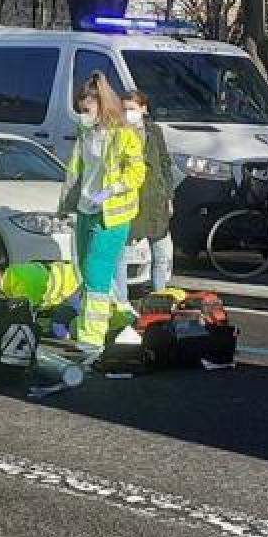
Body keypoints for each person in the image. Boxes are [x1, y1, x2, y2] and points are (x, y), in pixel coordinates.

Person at [58, 71, 146, 350]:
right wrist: (68, 205)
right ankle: (121, 318)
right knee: (88, 271)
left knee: (97, 274)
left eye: (86, 109)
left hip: (113, 214)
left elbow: (137, 172)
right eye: (80, 110)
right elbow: (77, 171)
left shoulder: (124, 135)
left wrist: (111, 190)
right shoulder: (86, 132)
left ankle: (91, 339)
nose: (82, 115)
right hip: (87, 209)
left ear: (101, 105)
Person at [115, 90, 176, 301]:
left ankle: (160, 299)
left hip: (154, 201)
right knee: (120, 256)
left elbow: (165, 163)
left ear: (143, 109)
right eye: (124, 109)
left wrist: (168, 195)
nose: (127, 113)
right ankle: (122, 303)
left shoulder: (153, 132)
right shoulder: (117, 134)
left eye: (132, 109)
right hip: (128, 201)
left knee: (161, 254)